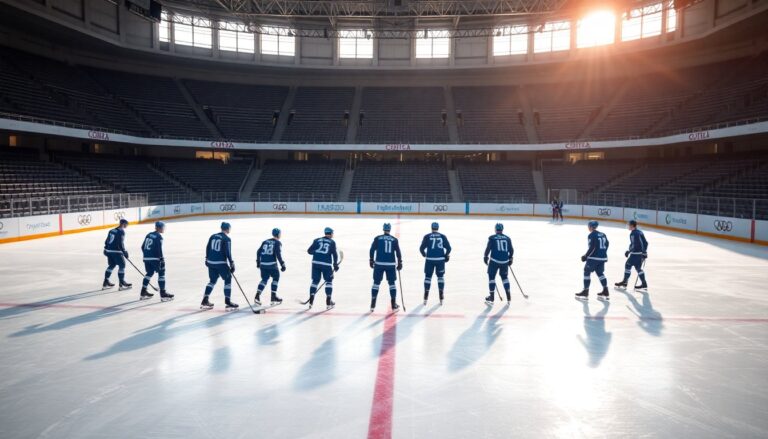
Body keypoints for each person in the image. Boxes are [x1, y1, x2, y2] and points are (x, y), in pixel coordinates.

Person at [201, 222, 238, 310]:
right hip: (220, 263)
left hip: (211, 262)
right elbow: (228, 252)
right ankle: (228, 301)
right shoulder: (227, 238)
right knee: (228, 279)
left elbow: (207, 247)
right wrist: (231, 263)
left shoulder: (213, 236)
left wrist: (206, 258)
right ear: (228, 228)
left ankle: (205, 299)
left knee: (212, 281)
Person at [369, 223, 403, 313]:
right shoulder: (394, 240)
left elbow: (371, 250)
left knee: (376, 283)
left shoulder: (377, 238)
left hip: (379, 264)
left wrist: (371, 260)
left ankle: (373, 303)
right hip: (390, 265)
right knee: (392, 283)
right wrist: (400, 262)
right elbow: (398, 252)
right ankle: (393, 304)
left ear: (383, 229)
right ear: (390, 229)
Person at [139, 221, 174, 301]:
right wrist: (161, 259)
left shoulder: (148, 235)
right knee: (161, 273)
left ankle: (143, 292)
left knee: (149, 273)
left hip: (146, 258)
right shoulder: (159, 237)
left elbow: (142, 247)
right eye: (163, 227)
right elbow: (159, 249)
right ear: (159, 227)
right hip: (155, 258)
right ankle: (163, 294)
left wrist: (147, 255)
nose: (163, 229)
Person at [576, 220, 610, 301]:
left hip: (594, 258)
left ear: (591, 226)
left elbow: (592, 247)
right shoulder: (603, 234)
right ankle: (605, 290)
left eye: (589, 226)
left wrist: (586, 256)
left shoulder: (591, 235)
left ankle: (585, 291)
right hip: (602, 257)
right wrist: (603, 252)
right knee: (600, 273)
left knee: (586, 272)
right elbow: (607, 244)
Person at [306, 227, 339, 310]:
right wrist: (335, 264)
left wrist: (317, 253)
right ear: (331, 233)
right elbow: (334, 254)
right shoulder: (332, 242)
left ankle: (311, 300)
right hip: (326, 264)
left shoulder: (316, 240)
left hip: (315, 263)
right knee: (329, 281)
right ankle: (328, 300)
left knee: (315, 281)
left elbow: (309, 251)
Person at [419, 222, 451, 306]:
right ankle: (441, 294)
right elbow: (449, 248)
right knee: (440, 277)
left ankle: (426, 295)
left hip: (429, 259)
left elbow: (421, 248)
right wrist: (446, 255)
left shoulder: (427, 236)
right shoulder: (443, 236)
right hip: (440, 260)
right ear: (438, 228)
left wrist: (424, 254)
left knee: (428, 277)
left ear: (431, 228)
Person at [483, 223, 514, 305]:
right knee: (504, 277)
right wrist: (510, 258)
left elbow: (488, 248)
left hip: (494, 261)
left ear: (495, 229)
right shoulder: (507, 238)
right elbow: (511, 250)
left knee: (491, 277)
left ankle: (491, 297)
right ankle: (508, 295)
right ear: (502, 229)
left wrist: (485, 257)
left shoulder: (492, 238)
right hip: (504, 261)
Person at [255, 228, 286, 306]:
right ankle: (273, 296)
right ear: (278, 234)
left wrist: (258, 262)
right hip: (272, 265)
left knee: (264, 280)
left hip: (263, 265)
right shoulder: (277, 242)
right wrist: (282, 264)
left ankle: (257, 296)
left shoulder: (265, 241)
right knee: (276, 278)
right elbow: (278, 254)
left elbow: (258, 252)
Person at [615, 220, 648, 291]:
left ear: (632, 226)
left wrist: (629, 251)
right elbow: (645, 243)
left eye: (629, 225)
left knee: (628, 265)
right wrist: (644, 252)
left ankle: (624, 282)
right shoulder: (639, 232)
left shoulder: (633, 234)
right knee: (638, 268)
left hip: (635, 254)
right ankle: (644, 284)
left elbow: (637, 244)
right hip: (639, 254)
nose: (628, 226)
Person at [102, 218, 132, 290]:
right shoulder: (121, 231)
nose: (126, 226)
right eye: (126, 225)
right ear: (123, 224)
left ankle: (105, 282)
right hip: (116, 252)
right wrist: (124, 251)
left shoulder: (111, 230)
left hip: (109, 251)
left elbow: (107, 241)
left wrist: (105, 249)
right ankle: (121, 284)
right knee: (122, 265)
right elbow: (120, 243)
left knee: (112, 265)